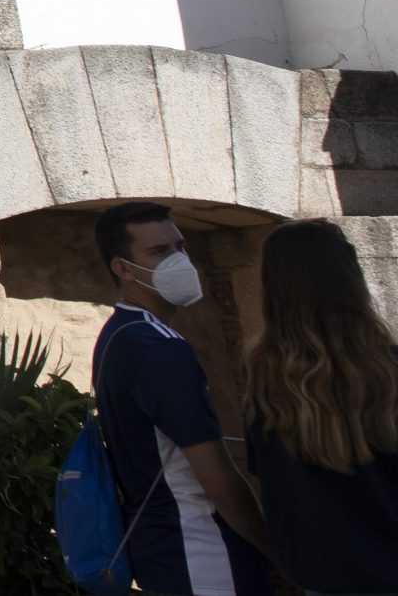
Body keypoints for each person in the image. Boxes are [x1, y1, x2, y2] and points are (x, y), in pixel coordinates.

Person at [91, 201, 271, 594]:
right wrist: (273, 550)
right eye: (158, 252)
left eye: (180, 247)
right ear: (122, 268)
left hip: (162, 547)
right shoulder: (160, 348)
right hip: (202, 550)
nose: (178, 261)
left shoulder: (118, 335)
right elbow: (217, 477)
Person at [242, 220, 398, 595]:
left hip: (323, 574)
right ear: (350, 276)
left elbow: (268, 480)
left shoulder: (264, 379)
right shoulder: (389, 368)